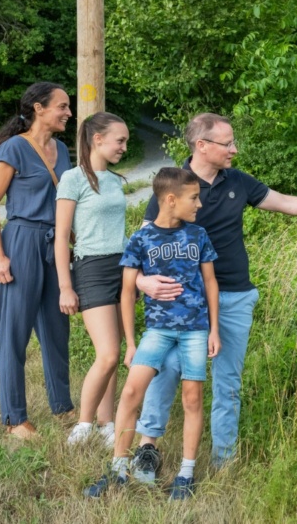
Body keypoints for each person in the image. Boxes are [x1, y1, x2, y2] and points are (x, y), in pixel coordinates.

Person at [129, 113, 297, 480]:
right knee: (165, 371)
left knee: (228, 381)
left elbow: (287, 202)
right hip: (181, 301)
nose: (234, 149)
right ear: (202, 145)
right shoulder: (173, 185)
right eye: (227, 143)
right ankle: (147, 450)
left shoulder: (238, 181)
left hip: (233, 297)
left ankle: (222, 462)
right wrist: (142, 283)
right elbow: (141, 245)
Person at [84, 167, 219, 500]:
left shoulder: (198, 235)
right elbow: (128, 292)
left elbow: (211, 282)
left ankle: (185, 474)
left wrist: (214, 329)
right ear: (170, 200)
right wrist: (130, 342)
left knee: (192, 398)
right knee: (130, 393)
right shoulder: (140, 239)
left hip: (194, 331)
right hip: (157, 331)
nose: (198, 204)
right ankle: (117, 470)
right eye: (193, 198)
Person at [0, 81, 75, 439]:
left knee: (56, 328)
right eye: (62, 106)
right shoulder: (13, 149)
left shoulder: (63, 150)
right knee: (14, 332)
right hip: (21, 240)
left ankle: (63, 407)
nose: (68, 112)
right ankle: (15, 418)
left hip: (56, 244)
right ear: (39, 108)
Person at [54, 112, 130, 448]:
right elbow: (61, 238)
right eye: (120, 141)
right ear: (97, 139)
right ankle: (83, 425)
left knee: (115, 350)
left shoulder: (114, 180)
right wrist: (66, 286)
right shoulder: (72, 179)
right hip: (92, 268)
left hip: (122, 268)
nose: (124, 148)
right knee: (109, 353)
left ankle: (106, 423)